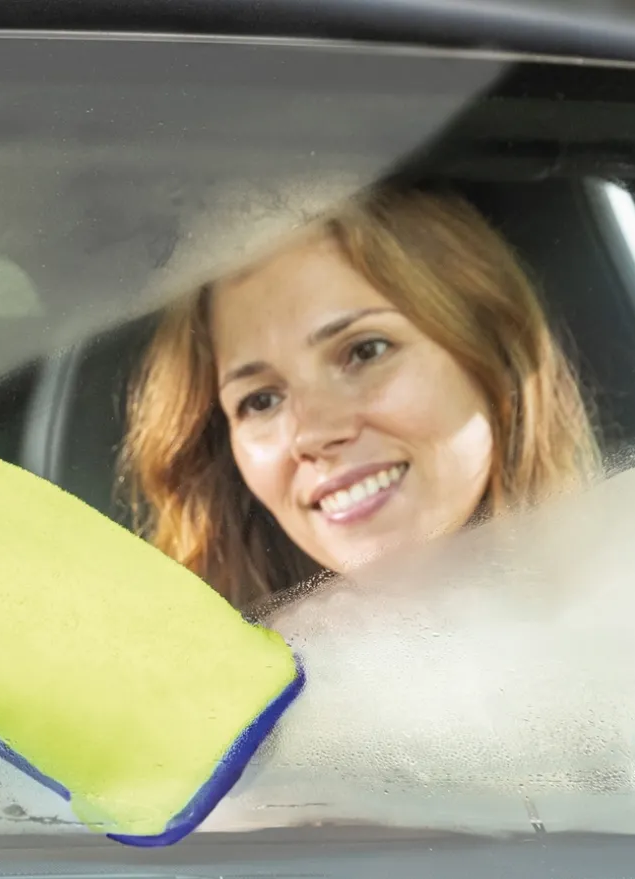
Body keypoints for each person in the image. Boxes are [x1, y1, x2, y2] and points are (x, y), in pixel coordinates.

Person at [119, 184, 602, 611]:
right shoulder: (219, 681)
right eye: (261, 400)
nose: (314, 433)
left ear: (492, 355)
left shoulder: (632, 606)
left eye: (365, 351)